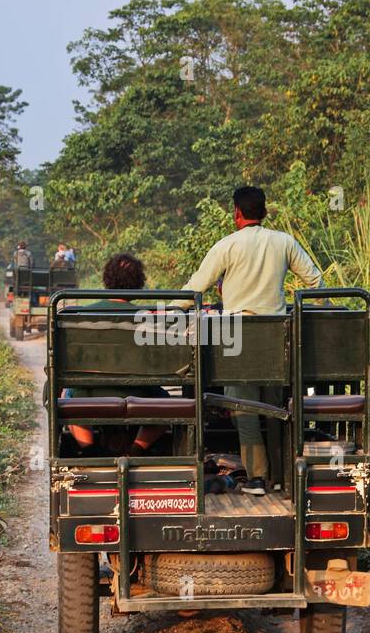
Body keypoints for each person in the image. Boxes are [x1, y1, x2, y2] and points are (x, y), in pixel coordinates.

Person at [180, 185, 323, 495]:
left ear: (237, 213)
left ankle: (257, 478)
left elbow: (195, 288)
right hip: (276, 336)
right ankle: (282, 477)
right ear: (265, 212)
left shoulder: (226, 246)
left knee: (243, 406)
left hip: (238, 336)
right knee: (275, 406)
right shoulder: (284, 242)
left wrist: (164, 307)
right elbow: (314, 280)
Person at [62, 253, 167, 457]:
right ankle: (135, 451)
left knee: (66, 395)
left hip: (88, 395)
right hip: (142, 394)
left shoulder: (81, 315)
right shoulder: (151, 318)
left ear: (107, 280)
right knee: (166, 400)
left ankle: (92, 452)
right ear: (138, 283)